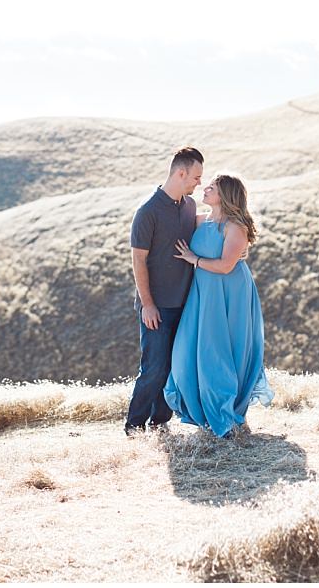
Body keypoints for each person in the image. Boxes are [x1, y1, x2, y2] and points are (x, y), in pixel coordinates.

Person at [164, 173, 274, 438]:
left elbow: (225, 266)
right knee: (186, 351)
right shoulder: (203, 220)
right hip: (203, 293)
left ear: (224, 195)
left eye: (211, 187)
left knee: (221, 351)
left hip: (229, 293)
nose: (205, 188)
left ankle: (223, 413)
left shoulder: (235, 226)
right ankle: (200, 409)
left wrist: (194, 259)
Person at [125, 147, 205, 436]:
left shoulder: (190, 206)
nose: (198, 183)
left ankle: (160, 423)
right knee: (155, 368)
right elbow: (138, 260)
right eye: (196, 177)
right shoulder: (147, 211)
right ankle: (134, 426)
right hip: (156, 306)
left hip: (185, 304)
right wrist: (147, 304)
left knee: (174, 369)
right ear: (180, 172)